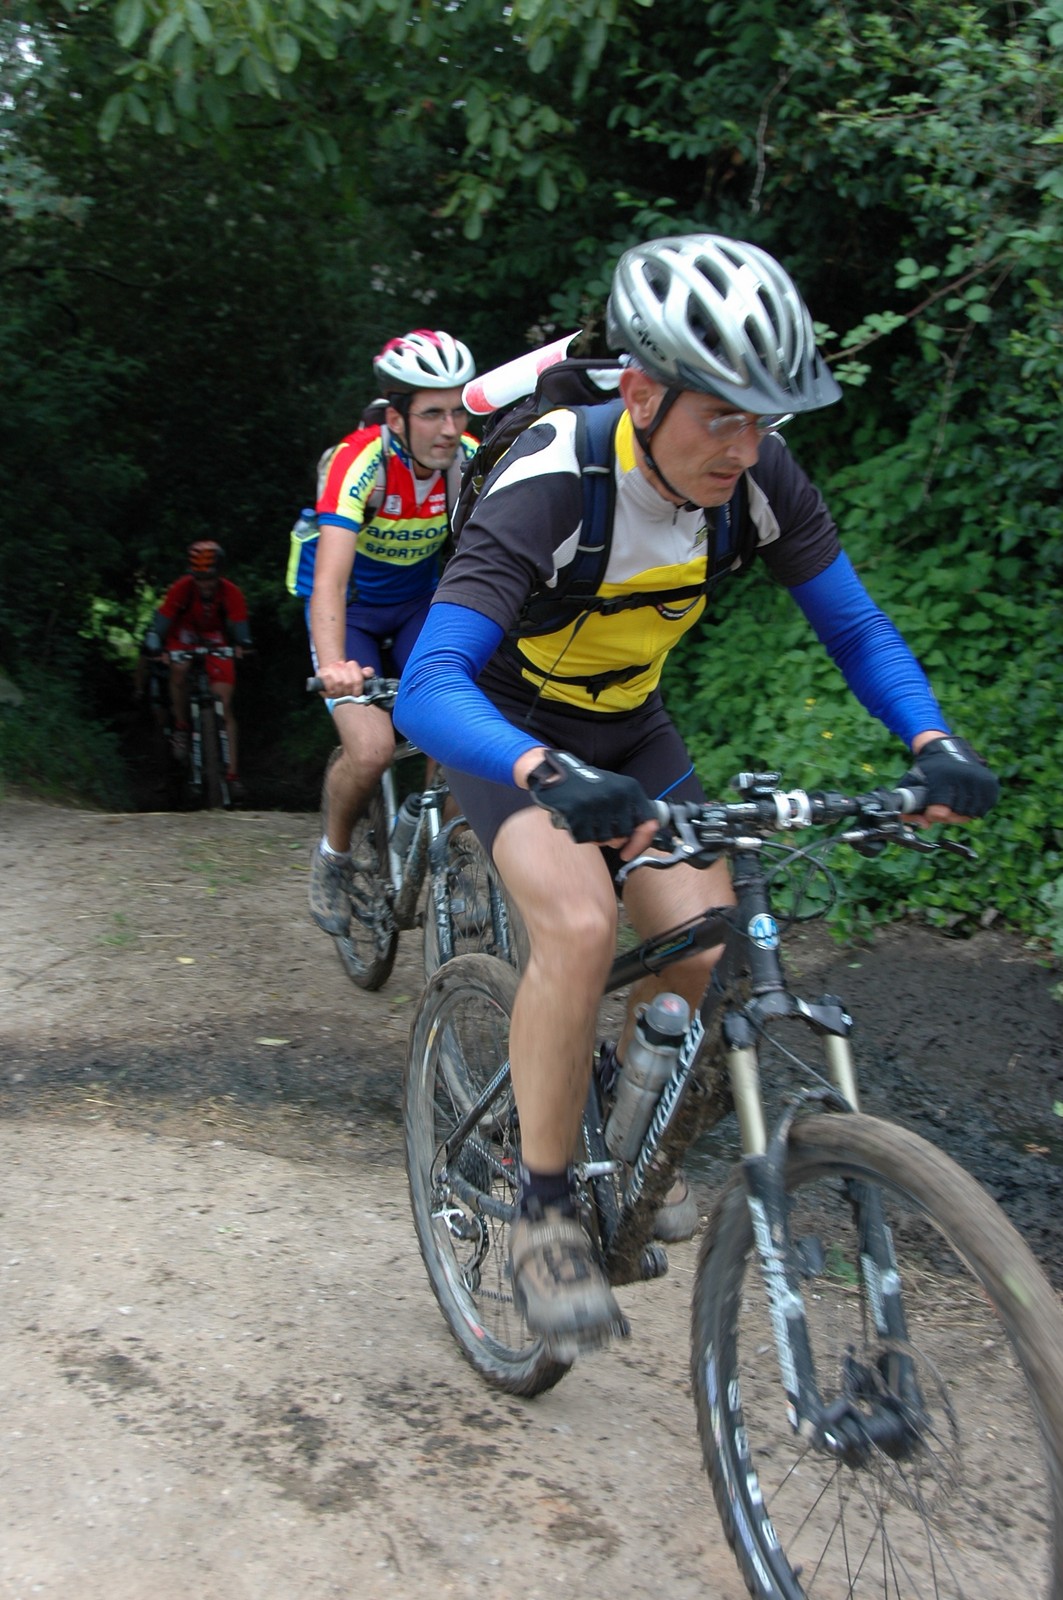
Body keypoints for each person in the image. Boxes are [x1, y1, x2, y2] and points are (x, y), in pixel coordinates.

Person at [394, 233, 1000, 1357]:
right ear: (640, 394)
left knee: (711, 955)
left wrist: (932, 740)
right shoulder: (552, 482)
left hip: (630, 727)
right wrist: (540, 770)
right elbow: (429, 685)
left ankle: (626, 1113)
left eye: (762, 418)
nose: (746, 445)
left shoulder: (757, 480)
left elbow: (855, 628)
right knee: (580, 924)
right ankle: (543, 1216)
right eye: (720, 416)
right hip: (507, 732)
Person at [291, 328, 477, 939]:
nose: (450, 428)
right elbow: (328, 581)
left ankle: (437, 843)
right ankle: (334, 855)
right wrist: (336, 666)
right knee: (370, 750)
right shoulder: (359, 461)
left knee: (460, 729)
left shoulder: (470, 459)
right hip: (351, 613)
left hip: (417, 604)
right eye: (432, 414)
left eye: (458, 410)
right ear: (396, 417)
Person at [144, 540, 252, 799]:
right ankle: (182, 725)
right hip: (182, 638)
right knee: (179, 668)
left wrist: (243, 645)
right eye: (200, 579)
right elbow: (160, 624)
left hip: (216, 642)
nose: (205, 585)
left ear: (219, 574)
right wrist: (157, 647)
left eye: (210, 579)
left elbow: (241, 628)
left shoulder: (231, 592)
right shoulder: (181, 589)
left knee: (224, 704)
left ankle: (232, 776)